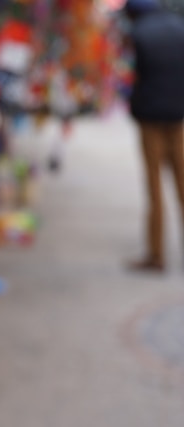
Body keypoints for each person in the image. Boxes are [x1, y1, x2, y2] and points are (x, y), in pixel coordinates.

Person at [124, 0, 184, 272]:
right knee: (182, 185)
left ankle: (156, 255)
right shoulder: (179, 28)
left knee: (155, 188)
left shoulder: (137, 33)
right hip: (178, 117)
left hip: (150, 120)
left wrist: (134, 107)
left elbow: (132, 76)